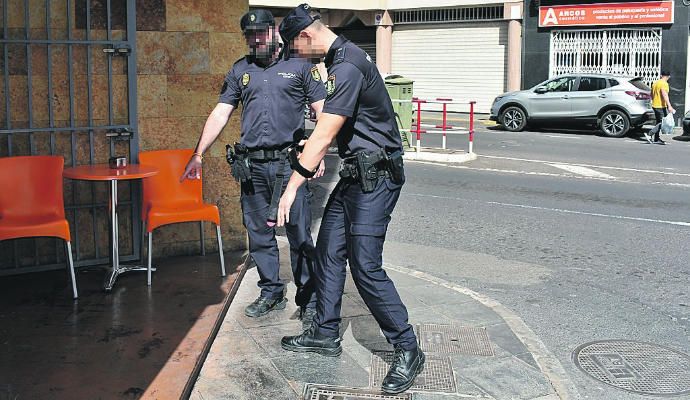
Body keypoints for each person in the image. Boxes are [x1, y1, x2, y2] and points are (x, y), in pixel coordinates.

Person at [274, 4, 425, 395]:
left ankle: (407, 347)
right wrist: (316, 143)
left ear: (305, 36)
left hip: (377, 179)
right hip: (357, 174)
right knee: (329, 251)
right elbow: (340, 127)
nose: (295, 56)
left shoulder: (347, 64)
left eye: (293, 47)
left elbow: (325, 135)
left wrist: (291, 187)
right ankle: (325, 333)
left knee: (365, 266)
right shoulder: (340, 60)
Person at [181, 9, 326, 323]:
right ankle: (271, 290)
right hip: (253, 168)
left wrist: (318, 154)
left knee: (300, 233)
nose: (255, 40)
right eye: (250, 36)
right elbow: (221, 112)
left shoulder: (300, 66)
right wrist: (198, 154)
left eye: (260, 33)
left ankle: (309, 297)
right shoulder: (240, 70)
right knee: (259, 233)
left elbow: (323, 111)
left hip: (291, 166)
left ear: (273, 32)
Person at [649, 70, 675, 144]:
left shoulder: (655, 83)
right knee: (663, 123)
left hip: (655, 105)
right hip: (660, 106)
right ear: (668, 76)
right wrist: (669, 106)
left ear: (661, 75)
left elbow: (651, 94)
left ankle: (656, 139)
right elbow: (665, 95)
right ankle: (650, 134)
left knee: (658, 122)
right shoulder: (664, 84)